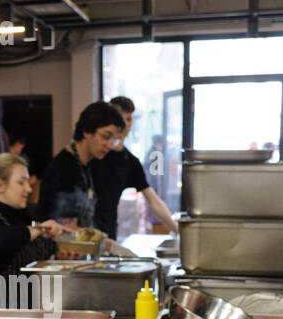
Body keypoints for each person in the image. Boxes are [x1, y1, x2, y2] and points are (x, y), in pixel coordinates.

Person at [0, 152, 65, 303]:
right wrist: (37, 230)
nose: (29, 189)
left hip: (27, 311)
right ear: (0, 185)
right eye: (21, 182)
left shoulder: (24, 218)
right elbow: (0, 241)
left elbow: (37, 256)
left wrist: (59, 253)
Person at [91, 96, 178, 239]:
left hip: (107, 237)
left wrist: (178, 231)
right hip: (83, 237)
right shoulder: (94, 154)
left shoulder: (130, 162)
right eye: (119, 117)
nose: (124, 123)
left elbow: (153, 201)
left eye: (129, 119)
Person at [35, 101, 125, 229]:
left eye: (113, 139)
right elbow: (57, 224)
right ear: (87, 131)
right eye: (106, 136)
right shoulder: (62, 168)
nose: (109, 145)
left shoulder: (89, 163)